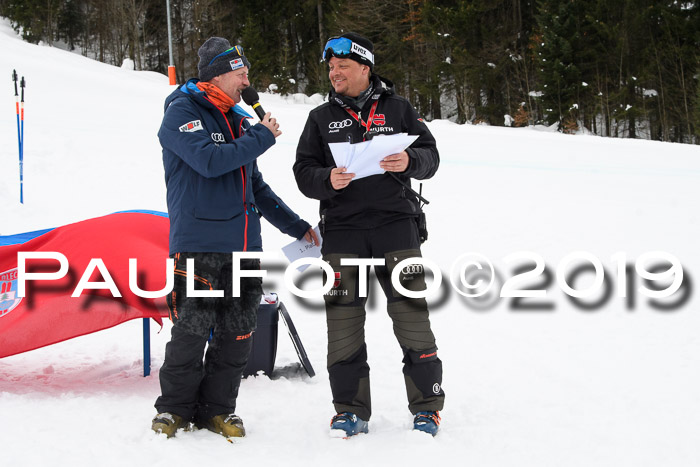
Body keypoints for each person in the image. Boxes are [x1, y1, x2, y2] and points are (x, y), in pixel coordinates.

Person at [152, 37, 318, 439]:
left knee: (238, 335)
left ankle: (218, 410)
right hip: (199, 244)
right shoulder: (181, 112)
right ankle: (173, 411)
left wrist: (297, 226)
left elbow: (255, 187)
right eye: (239, 71)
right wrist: (261, 136)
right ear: (217, 74)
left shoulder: (240, 120)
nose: (247, 78)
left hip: (244, 248)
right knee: (191, 332)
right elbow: (209, 162)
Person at [293, 32, 444, 437]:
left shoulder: (399, 108)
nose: (334, 73)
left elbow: (431, 158)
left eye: (341, 66)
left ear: (364, 67)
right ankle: (350, 410)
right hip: (343, 233)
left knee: (411, 316)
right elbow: (303, 173)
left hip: (397, 227)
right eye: (329, 67)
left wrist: (410, 159)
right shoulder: (320, 118)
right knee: (342, 322)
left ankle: (427, 406)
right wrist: (327, 178)